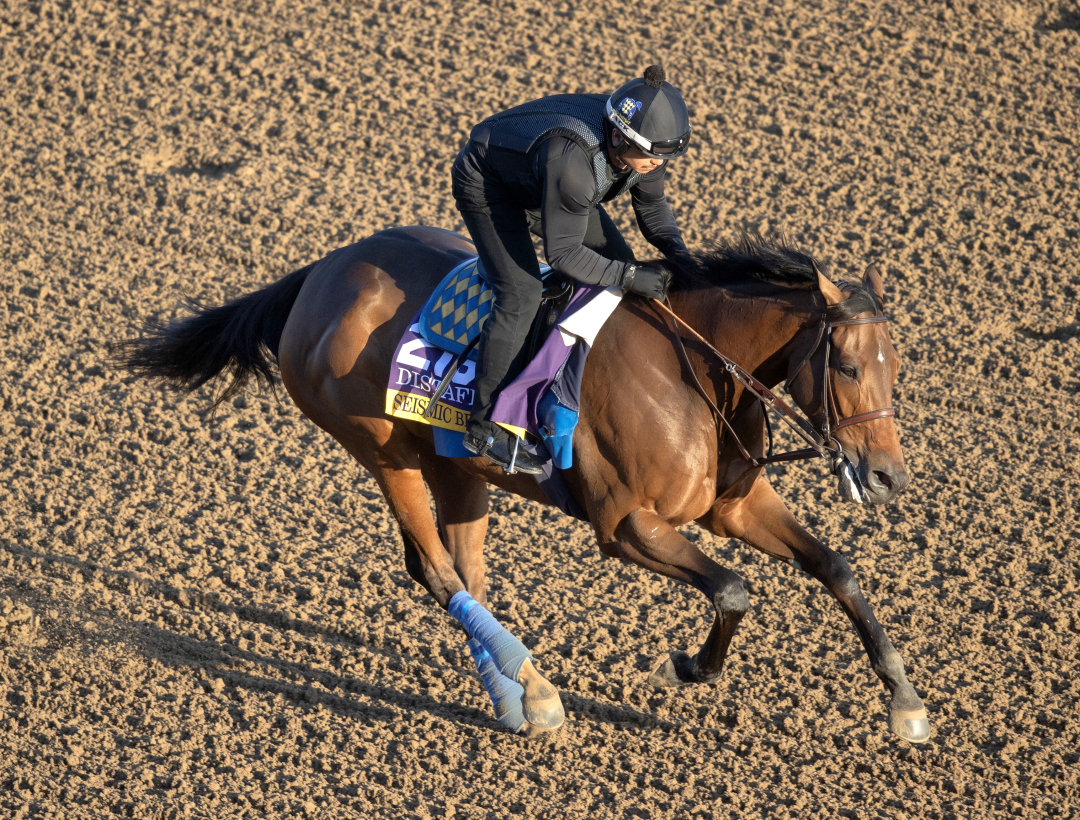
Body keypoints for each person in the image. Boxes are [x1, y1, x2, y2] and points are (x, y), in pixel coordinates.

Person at [451, 64, 692, 474]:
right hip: (492, 187)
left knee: (620, 269)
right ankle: (485, 424)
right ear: (617, 136)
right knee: (521, 293)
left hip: (548, 185)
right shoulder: (574, 163)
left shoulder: (643, 146)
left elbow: (651, 208)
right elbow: (563, 255)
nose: (656, 165)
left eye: (663, 158)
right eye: (650, 157)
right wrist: (629, 277)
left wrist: (680, 256)